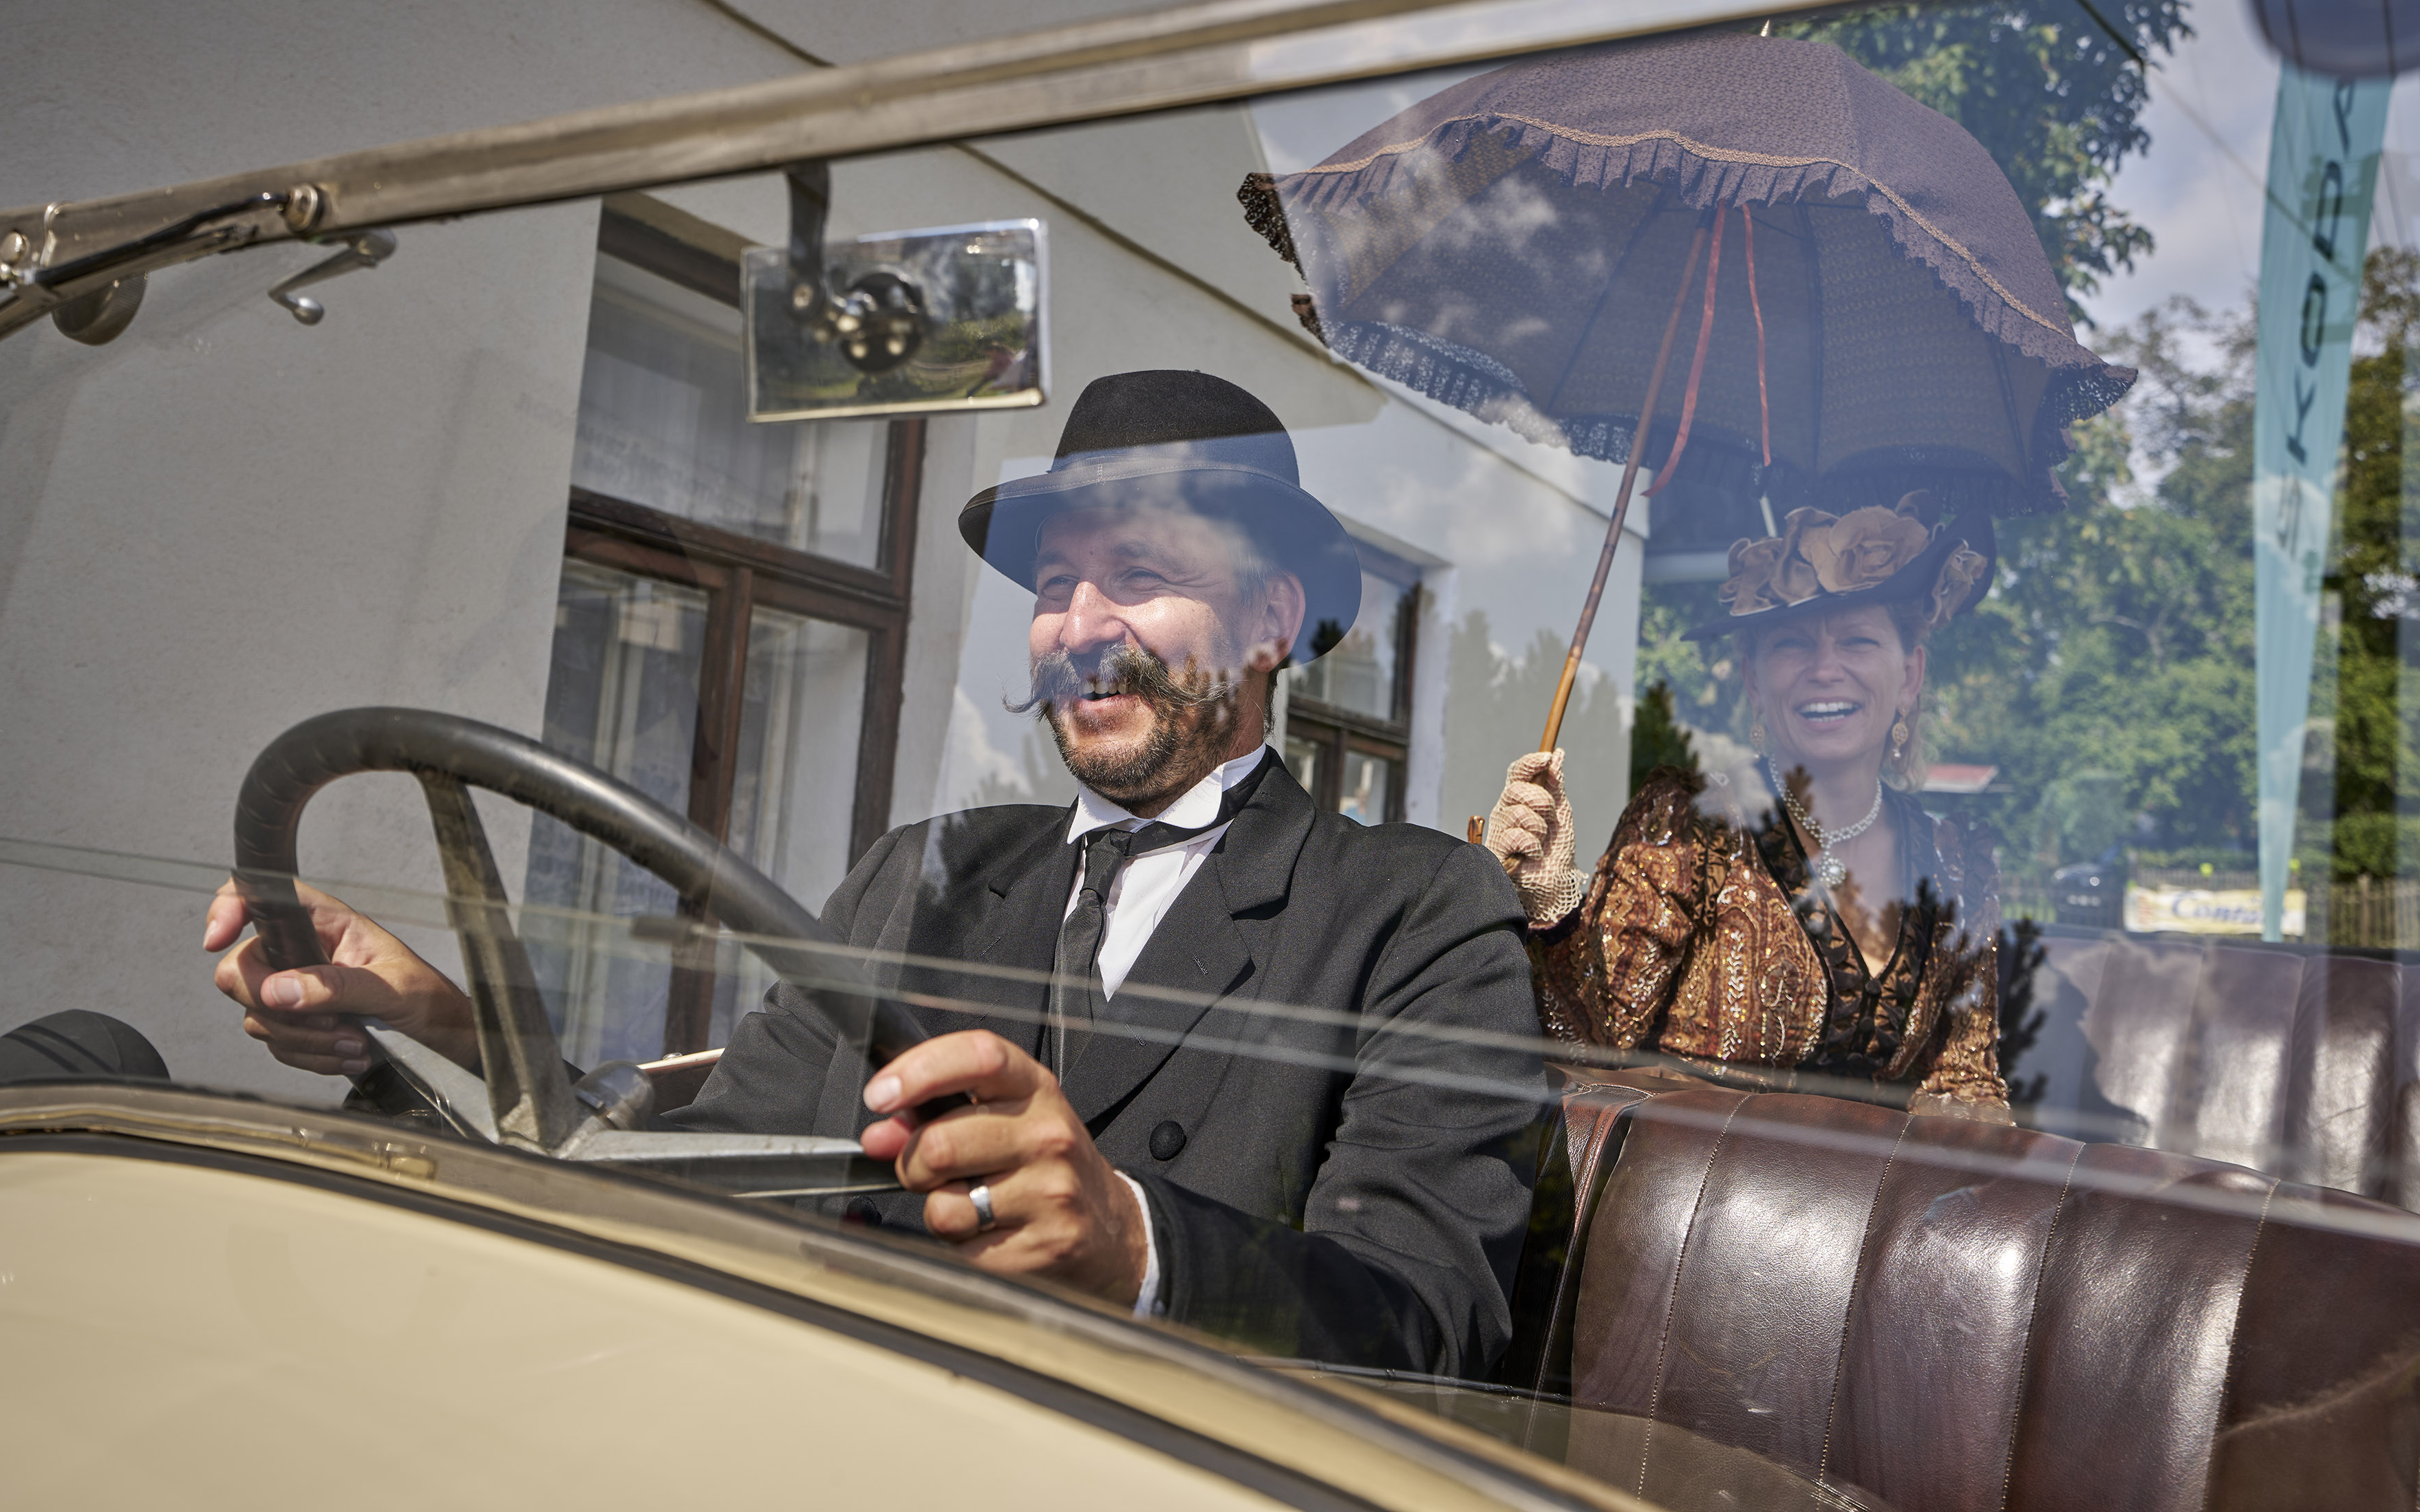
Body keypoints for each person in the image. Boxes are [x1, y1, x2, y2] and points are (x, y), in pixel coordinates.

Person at [207, 371, 1545, 1376]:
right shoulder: (930, 870)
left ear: (1266, 621)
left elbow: (1428, 1318)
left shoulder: (1415, 908)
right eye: (1054, 584)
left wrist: (1134, 1242)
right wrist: (442, 1018)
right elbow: (703, 1171)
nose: (1078, 626)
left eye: (1137, 572)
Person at [1483, 492, 2011, 1119]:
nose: (1824, 668)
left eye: (1857, 641)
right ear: (1754, 680)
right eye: (1791, 644)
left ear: (1910, 676)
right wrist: (1547, 900)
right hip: (1682, 1179)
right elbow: (1594, 1050)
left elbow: (1966, 1086)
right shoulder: (1691, 826)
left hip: (1878, 1185)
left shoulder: (1957, 868)